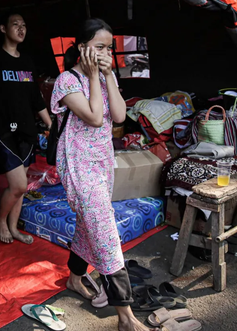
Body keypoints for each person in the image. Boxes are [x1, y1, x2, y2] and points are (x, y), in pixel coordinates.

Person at [51, 19, 156, 331]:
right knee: (105, 233)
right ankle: (126, 317)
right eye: (99, 47)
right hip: (78, 166)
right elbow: (96, 117)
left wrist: (109, 75)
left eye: (109, 47)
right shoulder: (66, 81)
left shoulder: (105, 75)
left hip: (101, 163)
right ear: (82, 48)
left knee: (88, 225)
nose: (106, 52)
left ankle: (73, 277)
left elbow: (120, 116)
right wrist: (95, 75)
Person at [0, 12, 52, 244]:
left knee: (21, 186)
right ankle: (1, 219)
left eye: (24, 25)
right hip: (2, 131)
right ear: (2, 29)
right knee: (18, 185)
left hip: (26, 131)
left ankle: (14, 228)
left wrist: (51, 126)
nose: (21, 29)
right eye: (15, 24)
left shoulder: (27, 62)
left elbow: (37, 100)